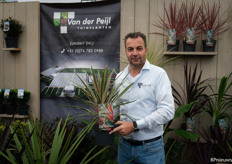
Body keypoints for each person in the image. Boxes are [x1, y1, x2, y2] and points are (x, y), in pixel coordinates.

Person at [109, 32, 175, 164]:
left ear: (146, 50)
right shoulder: (120, 77)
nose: (134, 53)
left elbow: (167, 111)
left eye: (139, 48)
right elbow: (115, 107)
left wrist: (134, 125)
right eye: (130, 49)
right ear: (126, 51)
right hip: (124, 148)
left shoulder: (158, 74)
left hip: (150, 149)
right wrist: (104, 118)